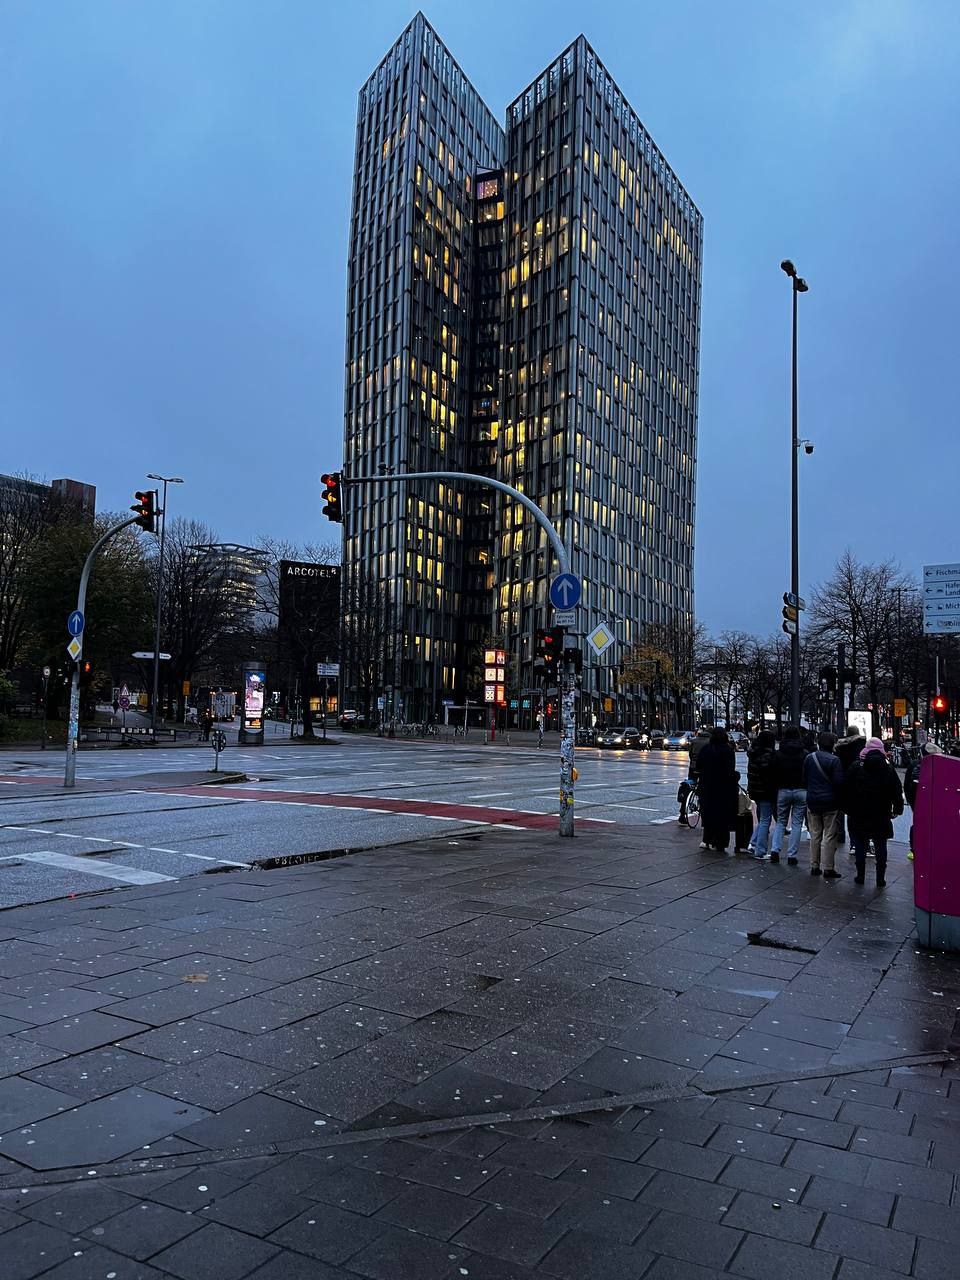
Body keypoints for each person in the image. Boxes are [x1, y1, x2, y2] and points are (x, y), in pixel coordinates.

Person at [842, 735, 904, 888]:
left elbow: (846, 789)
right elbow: (896, 791)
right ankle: (880, 878)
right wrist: (897, 809)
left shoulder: (857, 767)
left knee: (860, 843)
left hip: (859, 812)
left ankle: (860, 875)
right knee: (881, 844)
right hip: (881, 812)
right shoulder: (888, 768)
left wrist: (847, 808)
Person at [803, 731, 844, 878]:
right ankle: (828, 868)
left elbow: (804, 778)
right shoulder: (835, 760)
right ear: (832, 744)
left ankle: (814, 865)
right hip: (830, 802)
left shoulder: (809, 758)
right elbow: (838, 782)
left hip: (813, 800)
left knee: (815, 834)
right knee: (830, 835)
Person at [695, 727, 739, 852]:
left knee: (708, 813)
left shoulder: (706, 749)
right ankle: (721, 842)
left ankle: (707, 839)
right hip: (724, 788)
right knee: (722, 815)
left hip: (707, 786)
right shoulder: (728, 750)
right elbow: (730, 770)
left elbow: (698, 766)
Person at [770, 724, 808, 865]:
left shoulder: (778, 753)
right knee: (797, 823)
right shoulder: (804, 753)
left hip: (783, 789)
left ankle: (775, 850)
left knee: (781, 821)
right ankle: (792, 855)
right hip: (801, 789)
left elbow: (773, 772)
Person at [904, 741, 941, 859]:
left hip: (917, 800)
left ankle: (914, 849)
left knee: (917, 824)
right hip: (933, 801)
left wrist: (911, 800)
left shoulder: (915, 764)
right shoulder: (939, 765)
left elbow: (907, 785)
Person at [746, 729, 778, 859]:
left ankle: (754, 843)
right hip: (766, 791)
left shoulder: (753, 753)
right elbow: (770, 775)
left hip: (755, 789)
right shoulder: (769, 756)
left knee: (763, 818)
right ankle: (760, 850)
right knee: (765, 819)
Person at [678, 727, 711, 825]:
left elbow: (690, 754)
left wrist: (693, 762)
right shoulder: (710, 742)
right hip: (705, 769)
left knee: (689, 786)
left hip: (693, 767)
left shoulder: (694, 741)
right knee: (705, 790)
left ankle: (682, 812)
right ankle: (704, 816)